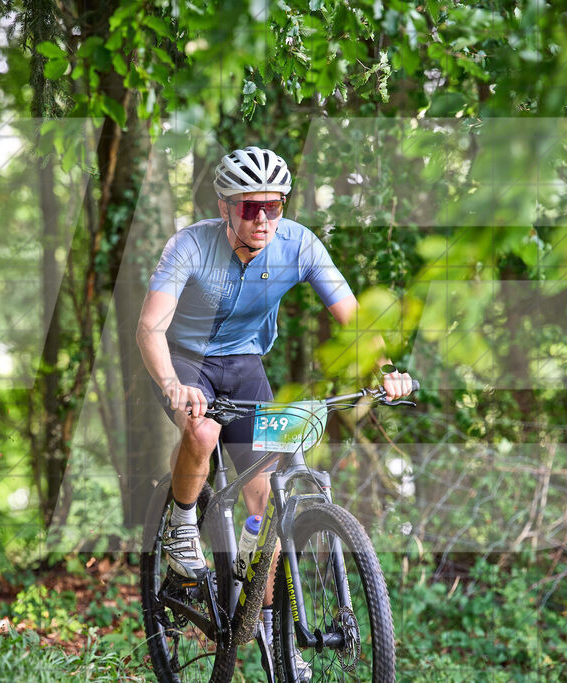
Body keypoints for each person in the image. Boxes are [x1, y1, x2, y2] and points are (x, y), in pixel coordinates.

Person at [136, 147, 413, 665]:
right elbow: (149, 328)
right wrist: (174, 384)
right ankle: (181, 525)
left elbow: (355, 319)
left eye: (273, 205)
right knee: (201, 432)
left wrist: (383, 370)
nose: (262, 218)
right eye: (248, 207)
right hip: (184, 361)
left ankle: (273, 641)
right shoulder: (190, 246)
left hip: (243, 364)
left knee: (266, 507)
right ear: (224, 207)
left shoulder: (299, 244)